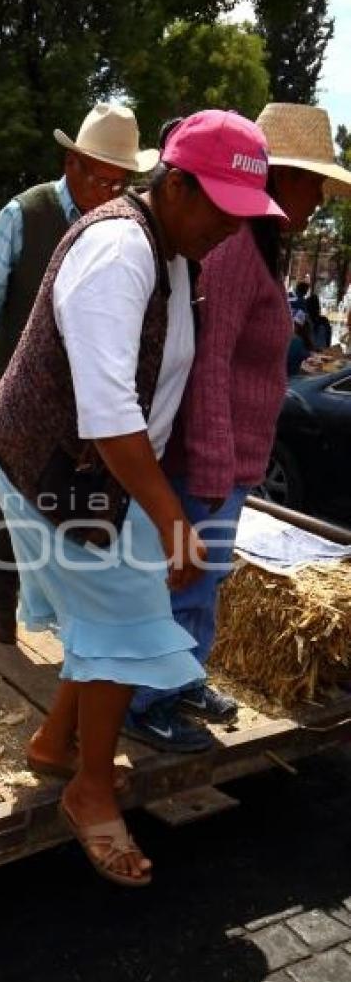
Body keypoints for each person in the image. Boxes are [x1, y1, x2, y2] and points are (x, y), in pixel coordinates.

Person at [0, 109, 285, 886]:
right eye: (223, 206)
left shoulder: (179, 251)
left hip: (103, 469)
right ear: (176, 185)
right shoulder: (120, 248)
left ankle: (55, 746)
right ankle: (88, 789)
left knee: (115, 606)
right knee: (125, 612)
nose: (233, 227)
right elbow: (107, 408)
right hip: (54, 464)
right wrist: (172, 515)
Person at [127, 102, 351, 754]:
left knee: (206, 579)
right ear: (276, 178)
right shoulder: (233, 250)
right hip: (209, 460)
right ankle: (147, 701)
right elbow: (210, 362)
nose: (318, 197)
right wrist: (214, 465)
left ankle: (182, 679)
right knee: (188, 580)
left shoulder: (260, 246)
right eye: (311, 182)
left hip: (232, 460)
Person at [0, 103, 158, 643]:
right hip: (17, 395)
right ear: (72, 163)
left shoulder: (128, 229)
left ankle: (70, 628)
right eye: (101, 178)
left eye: (122, 182)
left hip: (85, 406)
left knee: (75, 515)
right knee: (2, 509)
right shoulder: (26, 214)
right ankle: (1, 611)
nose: (111, 192)